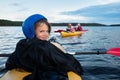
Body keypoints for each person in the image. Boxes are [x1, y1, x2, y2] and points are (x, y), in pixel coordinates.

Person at [5, 14, 83, 80]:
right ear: (32, 30)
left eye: (47, 31)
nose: (46, 34)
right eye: (42, 31)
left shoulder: (22, 44)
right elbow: (74, 66)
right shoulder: (45, 47)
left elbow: (9, 64)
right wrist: (62, 50)